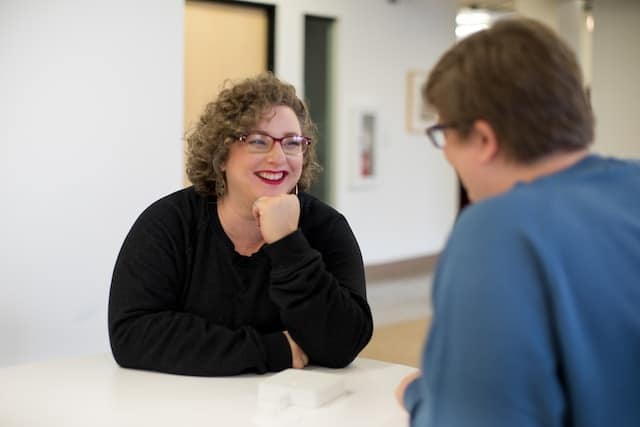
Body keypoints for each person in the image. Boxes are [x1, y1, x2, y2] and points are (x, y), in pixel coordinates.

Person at [397, 18, 640, 426]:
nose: (445, 155)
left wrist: (424, 398)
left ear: (484, 139)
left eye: (443, 135)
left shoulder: (496, 232)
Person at [108, 72, 373, 376]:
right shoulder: (168, 224)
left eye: (292, 143)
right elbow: (132, 335)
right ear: (221, 156)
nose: (278, 157)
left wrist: (288, 244)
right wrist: (274, 350)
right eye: (259, 141)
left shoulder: (326, 228)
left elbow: (343, 344)